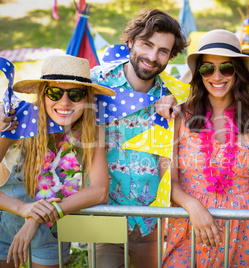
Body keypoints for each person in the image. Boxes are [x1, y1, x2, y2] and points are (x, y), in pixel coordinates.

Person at [162, 29, 249, 268]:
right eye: (208, 68)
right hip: (188, 224)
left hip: (240, 231)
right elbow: (170, 183)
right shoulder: (179, 118)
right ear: (199, 74)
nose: (217, 76)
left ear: (237, 73)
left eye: (226, 68)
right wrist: (193, 206)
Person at [88, 8, 188, 268]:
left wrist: (179, 106)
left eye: (163, 51)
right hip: (106, 211)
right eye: (147, 44)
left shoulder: (172, 93)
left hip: (151, 219)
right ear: (131, 41)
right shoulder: (97, 83)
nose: (153, 57)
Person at [0, 54, 114, 268]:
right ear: (43, 95)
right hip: (3, 227)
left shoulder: (89, 132)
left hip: (49, 233)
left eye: (76, 94)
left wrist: (36, 218)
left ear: (87, 98)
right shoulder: (17, 121)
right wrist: (24, 210)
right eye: (54, 92)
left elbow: (100, 190)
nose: (65, 102)